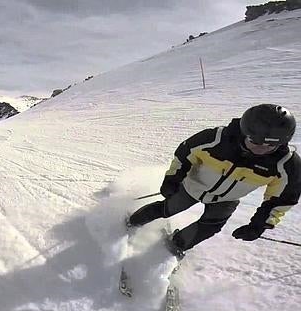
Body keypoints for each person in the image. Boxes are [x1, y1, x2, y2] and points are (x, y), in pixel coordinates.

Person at [127, 104, 301, 258]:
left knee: (210, 227)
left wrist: (259, 225)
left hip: (226, 200)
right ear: (245, 132)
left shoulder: (285, 165)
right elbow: (184, 154)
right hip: (192, 187)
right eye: (254, 141)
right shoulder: (216, 139)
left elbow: (282, 199)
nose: (260, 149)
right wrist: (173, 179)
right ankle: (131, 223)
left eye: (270, 146)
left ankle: (174, 247)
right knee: (168, 209)